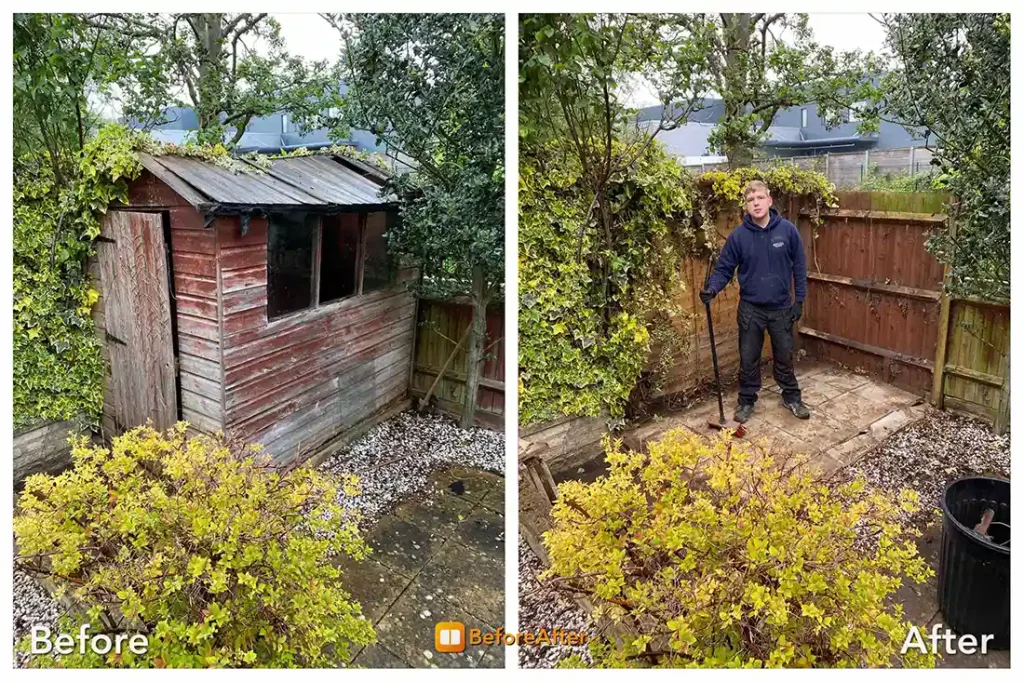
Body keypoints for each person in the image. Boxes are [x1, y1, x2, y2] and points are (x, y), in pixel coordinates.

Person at [699, 180, 810, 423]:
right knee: (748, 358)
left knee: (784, 355)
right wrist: (712, 289)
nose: (756, 203)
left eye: (760, 198)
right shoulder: (739, 237)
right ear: (746, 206)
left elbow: (800, 268)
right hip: (751, 309)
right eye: (750, 200)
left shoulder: (787, 231)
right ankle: (746, 400)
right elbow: (724, 269)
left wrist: (799, 300)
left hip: (781, 308)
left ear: (769, 201)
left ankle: (791, 396)